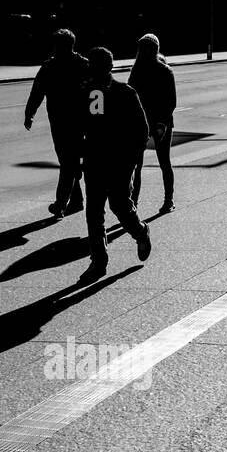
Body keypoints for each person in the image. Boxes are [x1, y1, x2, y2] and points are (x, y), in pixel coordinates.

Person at [80, 47, 151, 277]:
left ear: (107, 68)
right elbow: (88, 125)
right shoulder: (92, 92)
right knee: (94, 212)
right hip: (95, 161)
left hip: (119, 162)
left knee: (120, 206)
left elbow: (142, 130)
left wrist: (131, 159)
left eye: (94, 65)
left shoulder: (124, 92)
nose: (90, 69)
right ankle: (98, 262)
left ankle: (140, 232)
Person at [24, 28, 89, 218]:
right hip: (64, 121)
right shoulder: (78, 64)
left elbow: (96, 92)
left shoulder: (61, 66)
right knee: (68, 161)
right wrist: (30, 113)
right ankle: (76, 200)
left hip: (72, 122)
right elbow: (37, 91)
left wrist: (30, 113)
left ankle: (61, 203)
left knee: (68, 162)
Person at [128, 33, 177, 214]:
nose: (145, 51)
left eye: (147, 48)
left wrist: (161, 124)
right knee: (143, 164)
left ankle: (163, 199)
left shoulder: (161, 71)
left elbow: (171, 102)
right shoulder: (142, 70)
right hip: (146, 122)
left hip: (155, 122)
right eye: (143, 48)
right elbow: (131, 97)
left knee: (154, 163)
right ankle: (139, 201)